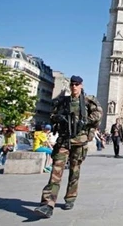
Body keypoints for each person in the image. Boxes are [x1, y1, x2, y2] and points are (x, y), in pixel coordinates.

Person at [34, 75, 102, 218]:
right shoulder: (63, 101)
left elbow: (98, 114)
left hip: (79, 141)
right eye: (72, 84)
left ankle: (70, 198)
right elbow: (52, 114)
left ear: (81, 85)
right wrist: (57, 118)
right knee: (56, 172)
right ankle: (47, 204)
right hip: (64, 141)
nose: (74, 87)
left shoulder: (88, 101)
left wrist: (85, 121)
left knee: (74, 172)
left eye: (77, 84)